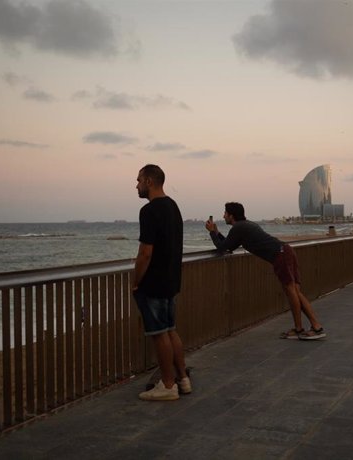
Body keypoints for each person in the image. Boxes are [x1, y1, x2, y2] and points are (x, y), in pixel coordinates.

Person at [205, 202, 326, 340]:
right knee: (295, 292)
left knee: (292, 292)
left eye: (225, 213)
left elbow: (222, 248)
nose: (223, 216)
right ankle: (304, 328)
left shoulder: (239, 227)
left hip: (281, 255)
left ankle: (315, 327)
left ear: (231, 215)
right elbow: (228, 245)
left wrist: (211, 233)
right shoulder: (245, 225)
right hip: (285, 251)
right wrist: (216, 232)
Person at [133, 164, 191, 401]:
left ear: (149, 181)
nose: (136, 185)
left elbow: (146, 252)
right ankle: (182, 380)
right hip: (171, 279)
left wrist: (136, 281)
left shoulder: (149, 211)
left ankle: (167, 386)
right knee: (170, 330)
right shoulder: (173, 206)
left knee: (159, 334)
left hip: (154, 281)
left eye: (138, 180)